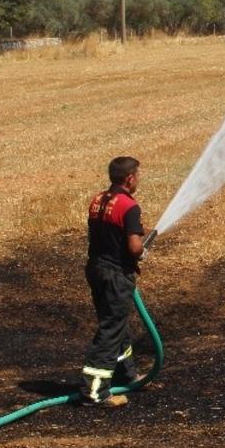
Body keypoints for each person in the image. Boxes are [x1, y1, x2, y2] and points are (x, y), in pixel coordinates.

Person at [80, 156, 146, 407]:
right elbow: (134, 246)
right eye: (137, 175)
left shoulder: (98, 200)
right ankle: (94, 391)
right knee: (110, 329)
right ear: (129, 178)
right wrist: (141, 251)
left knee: (116, 324)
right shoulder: (129, 206)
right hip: (115, 275)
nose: (138, 179)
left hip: (95, 268)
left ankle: (127, 375)